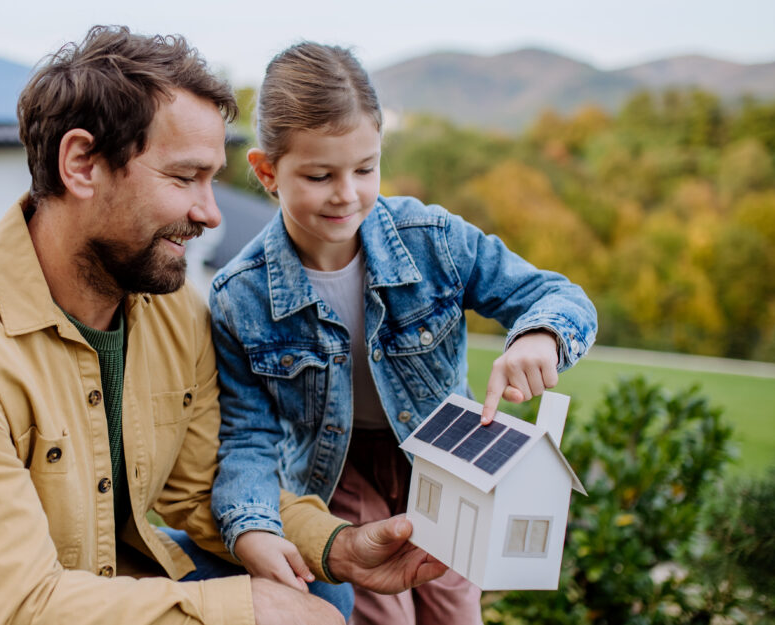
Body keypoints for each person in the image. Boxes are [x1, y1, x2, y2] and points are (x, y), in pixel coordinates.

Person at [0, 26, 447, 625]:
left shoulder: (171, 309)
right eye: (184, 178)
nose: (211, 214)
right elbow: (14, 607)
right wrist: (241, 608)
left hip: (86, 576)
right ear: (82, 163)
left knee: (315, 583)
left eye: (212, 180)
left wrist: (337, 545)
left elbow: (207, 486)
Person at [208, 42, 598, 625]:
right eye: (319, 175)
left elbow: (557, 296)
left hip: (445, 460)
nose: (347, 193)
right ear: (267, 171)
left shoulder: (433, 240)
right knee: (383, 615)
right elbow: (247, 435)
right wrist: (252, 525)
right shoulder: (241, 295)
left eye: (365, 169)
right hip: (334, 476)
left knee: (454, 610)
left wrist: (539, 336)